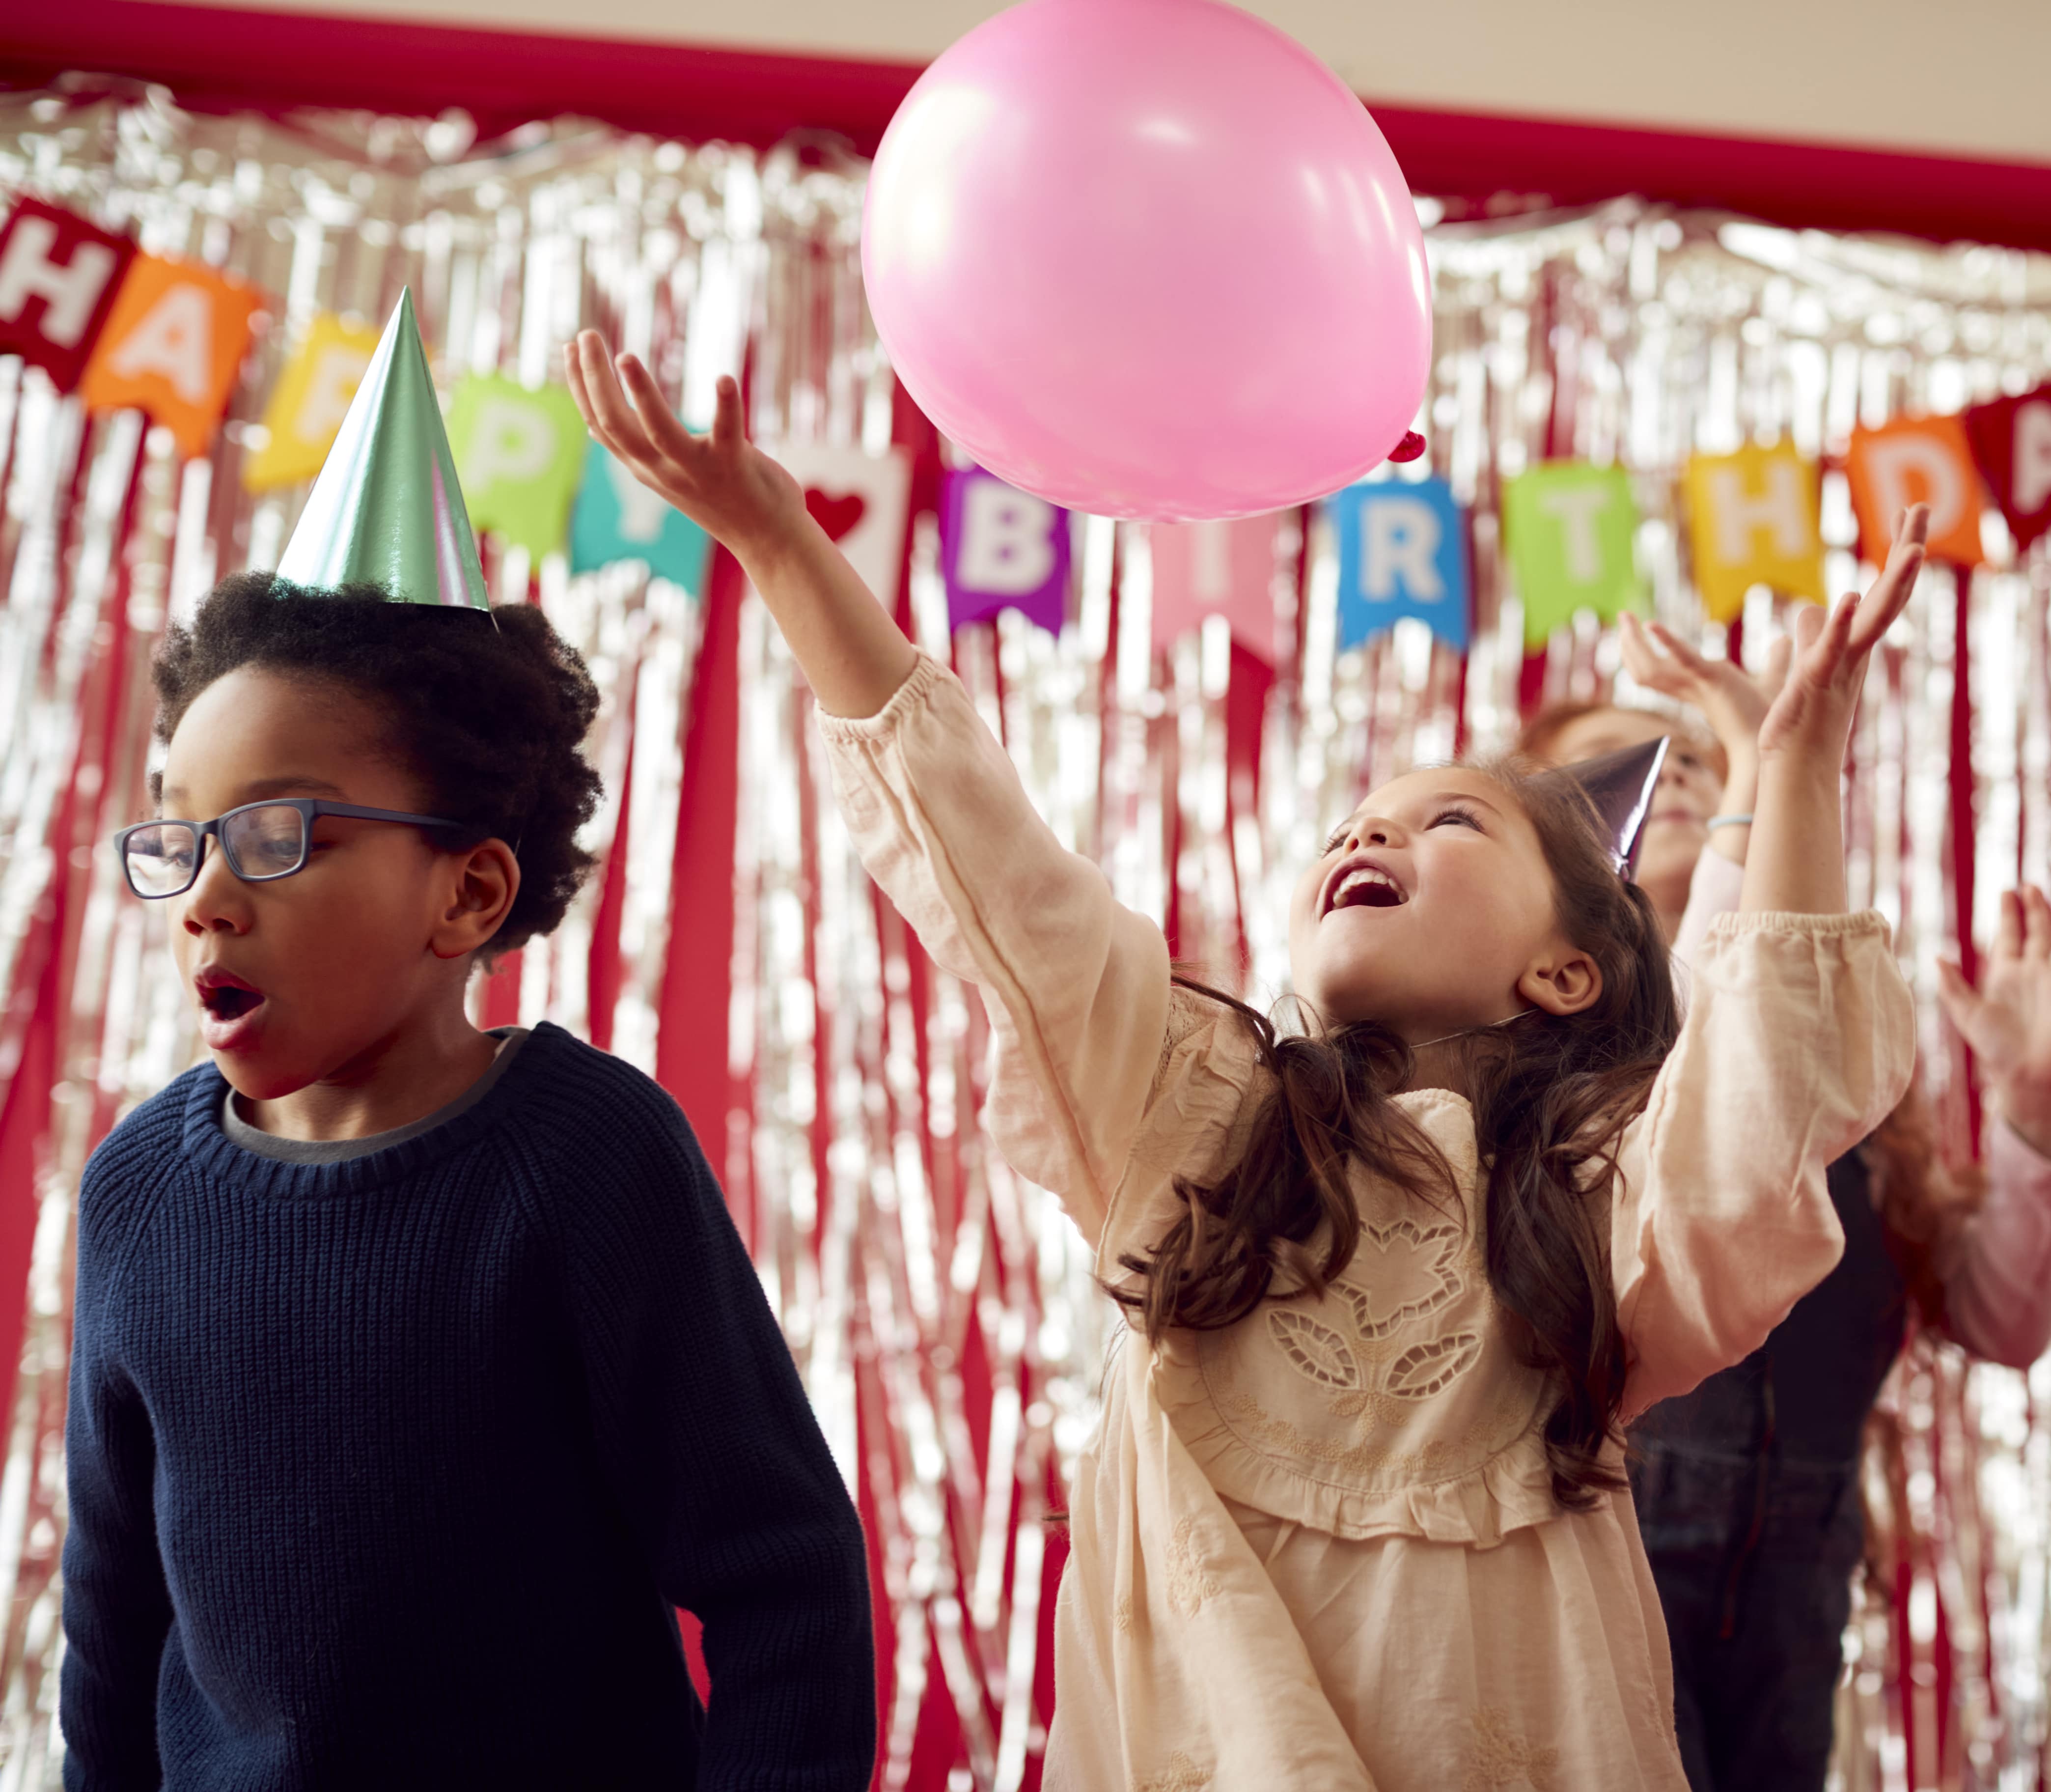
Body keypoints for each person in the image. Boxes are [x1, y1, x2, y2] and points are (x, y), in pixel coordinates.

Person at [565, 330, 1921, 1792]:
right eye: (1357, 820)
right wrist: (783, 544)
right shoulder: (1191, 1120)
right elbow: (997, 869)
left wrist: (1792, 772)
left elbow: (1752, 1101)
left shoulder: (1591, 1212)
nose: (1369, 832)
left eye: (1449, 822)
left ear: (1564, 970)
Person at [58, 296, 875, 1791]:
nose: (210, 897)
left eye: (278, 834)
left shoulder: (587, 1160)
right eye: (182, 838)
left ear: (470, 889)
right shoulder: (136, 1191)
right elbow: (114, 1624)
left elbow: (786, 1582)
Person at [1517, 616, 2051, 1792]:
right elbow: (1714, 1053)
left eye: (1686, 758)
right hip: (1599, 1534)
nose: (1667, 777)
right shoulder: (1546, 1062)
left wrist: (2034, 1104)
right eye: (1614, 772)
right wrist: (1759, 753)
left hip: (1803, 1561)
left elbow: (2006, 1325)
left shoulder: (1842, 1083)